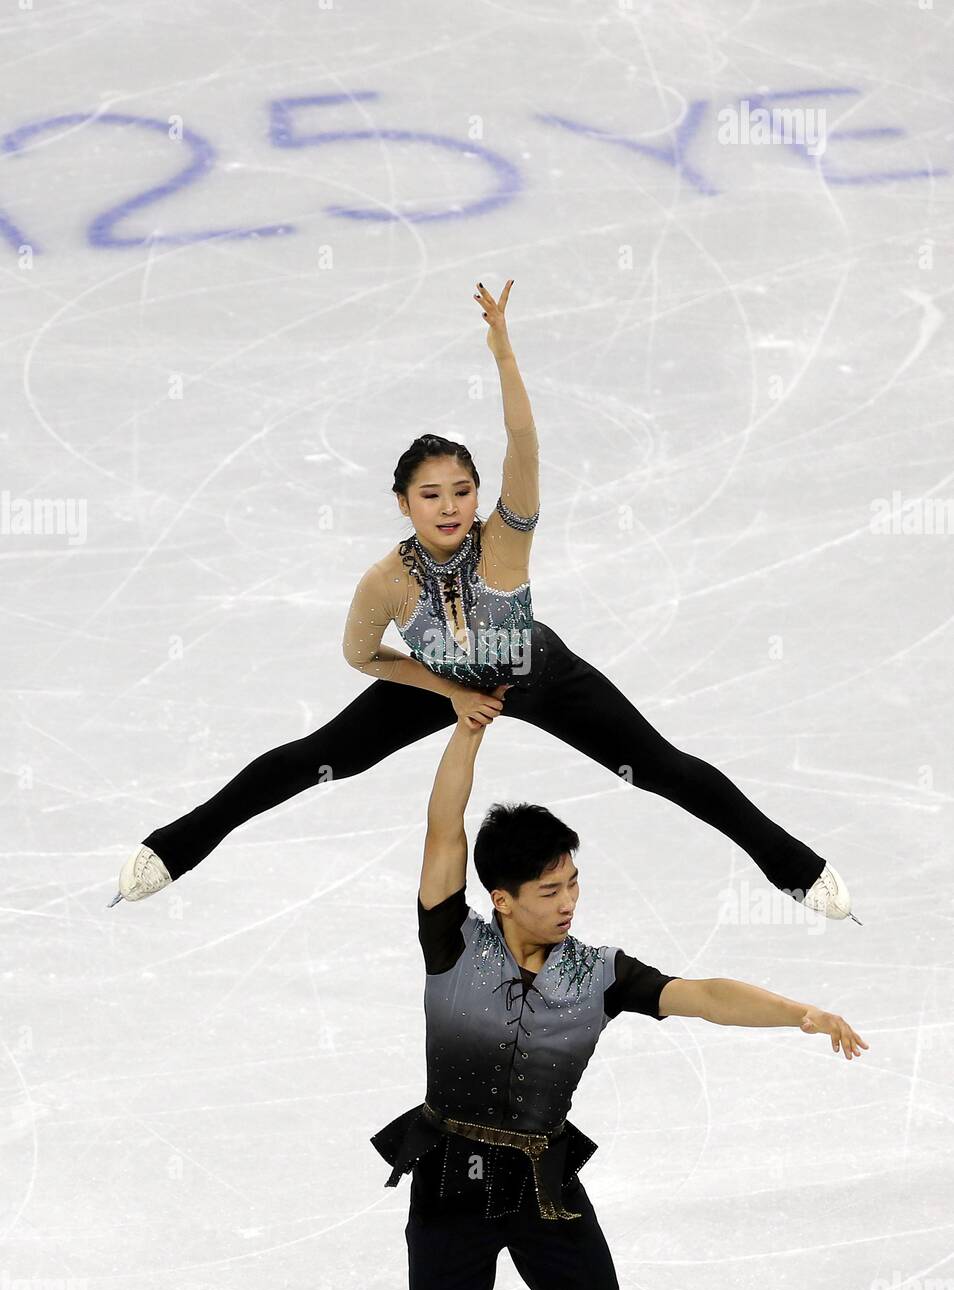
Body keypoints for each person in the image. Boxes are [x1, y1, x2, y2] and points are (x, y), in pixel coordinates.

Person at [109, 279, 859, 927]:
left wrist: (502, 349)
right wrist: (445, 692)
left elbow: (522, 438)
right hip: (444, 683)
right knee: (317, 761)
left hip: (534, 670)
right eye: (431, 495)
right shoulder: (385, 582)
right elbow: (361, 656)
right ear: (402, 503)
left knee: (658, 766)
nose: (450, 506)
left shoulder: (506, 537)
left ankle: (792, 865)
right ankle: (175, 847)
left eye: (461, 491)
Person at [371, 712, 869, 1290]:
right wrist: (468, 729)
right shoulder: (453, 943)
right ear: (501, 899)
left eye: (573, 883)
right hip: (450, 1182)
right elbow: (444, 828)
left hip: (543, 1184)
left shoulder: (600, 974)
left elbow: (704, 996)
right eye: (550, 892)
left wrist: (798, 1013)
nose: (568, 903)